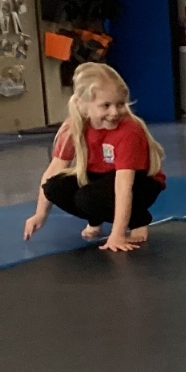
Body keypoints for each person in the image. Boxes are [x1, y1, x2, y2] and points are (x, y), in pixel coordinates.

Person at [22, 63, 166, 253]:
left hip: (140, 183)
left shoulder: (128, 131)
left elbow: (123, 185)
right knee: (54, 187)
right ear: (83, 106)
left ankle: (138, 218)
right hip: (102, 179)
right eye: (106, 105)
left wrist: (118, 234)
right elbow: (54, 169)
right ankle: (96, 217)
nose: (114, 112)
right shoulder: (73, 127)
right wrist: (40, 214)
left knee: (87, 198)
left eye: (120, 104)